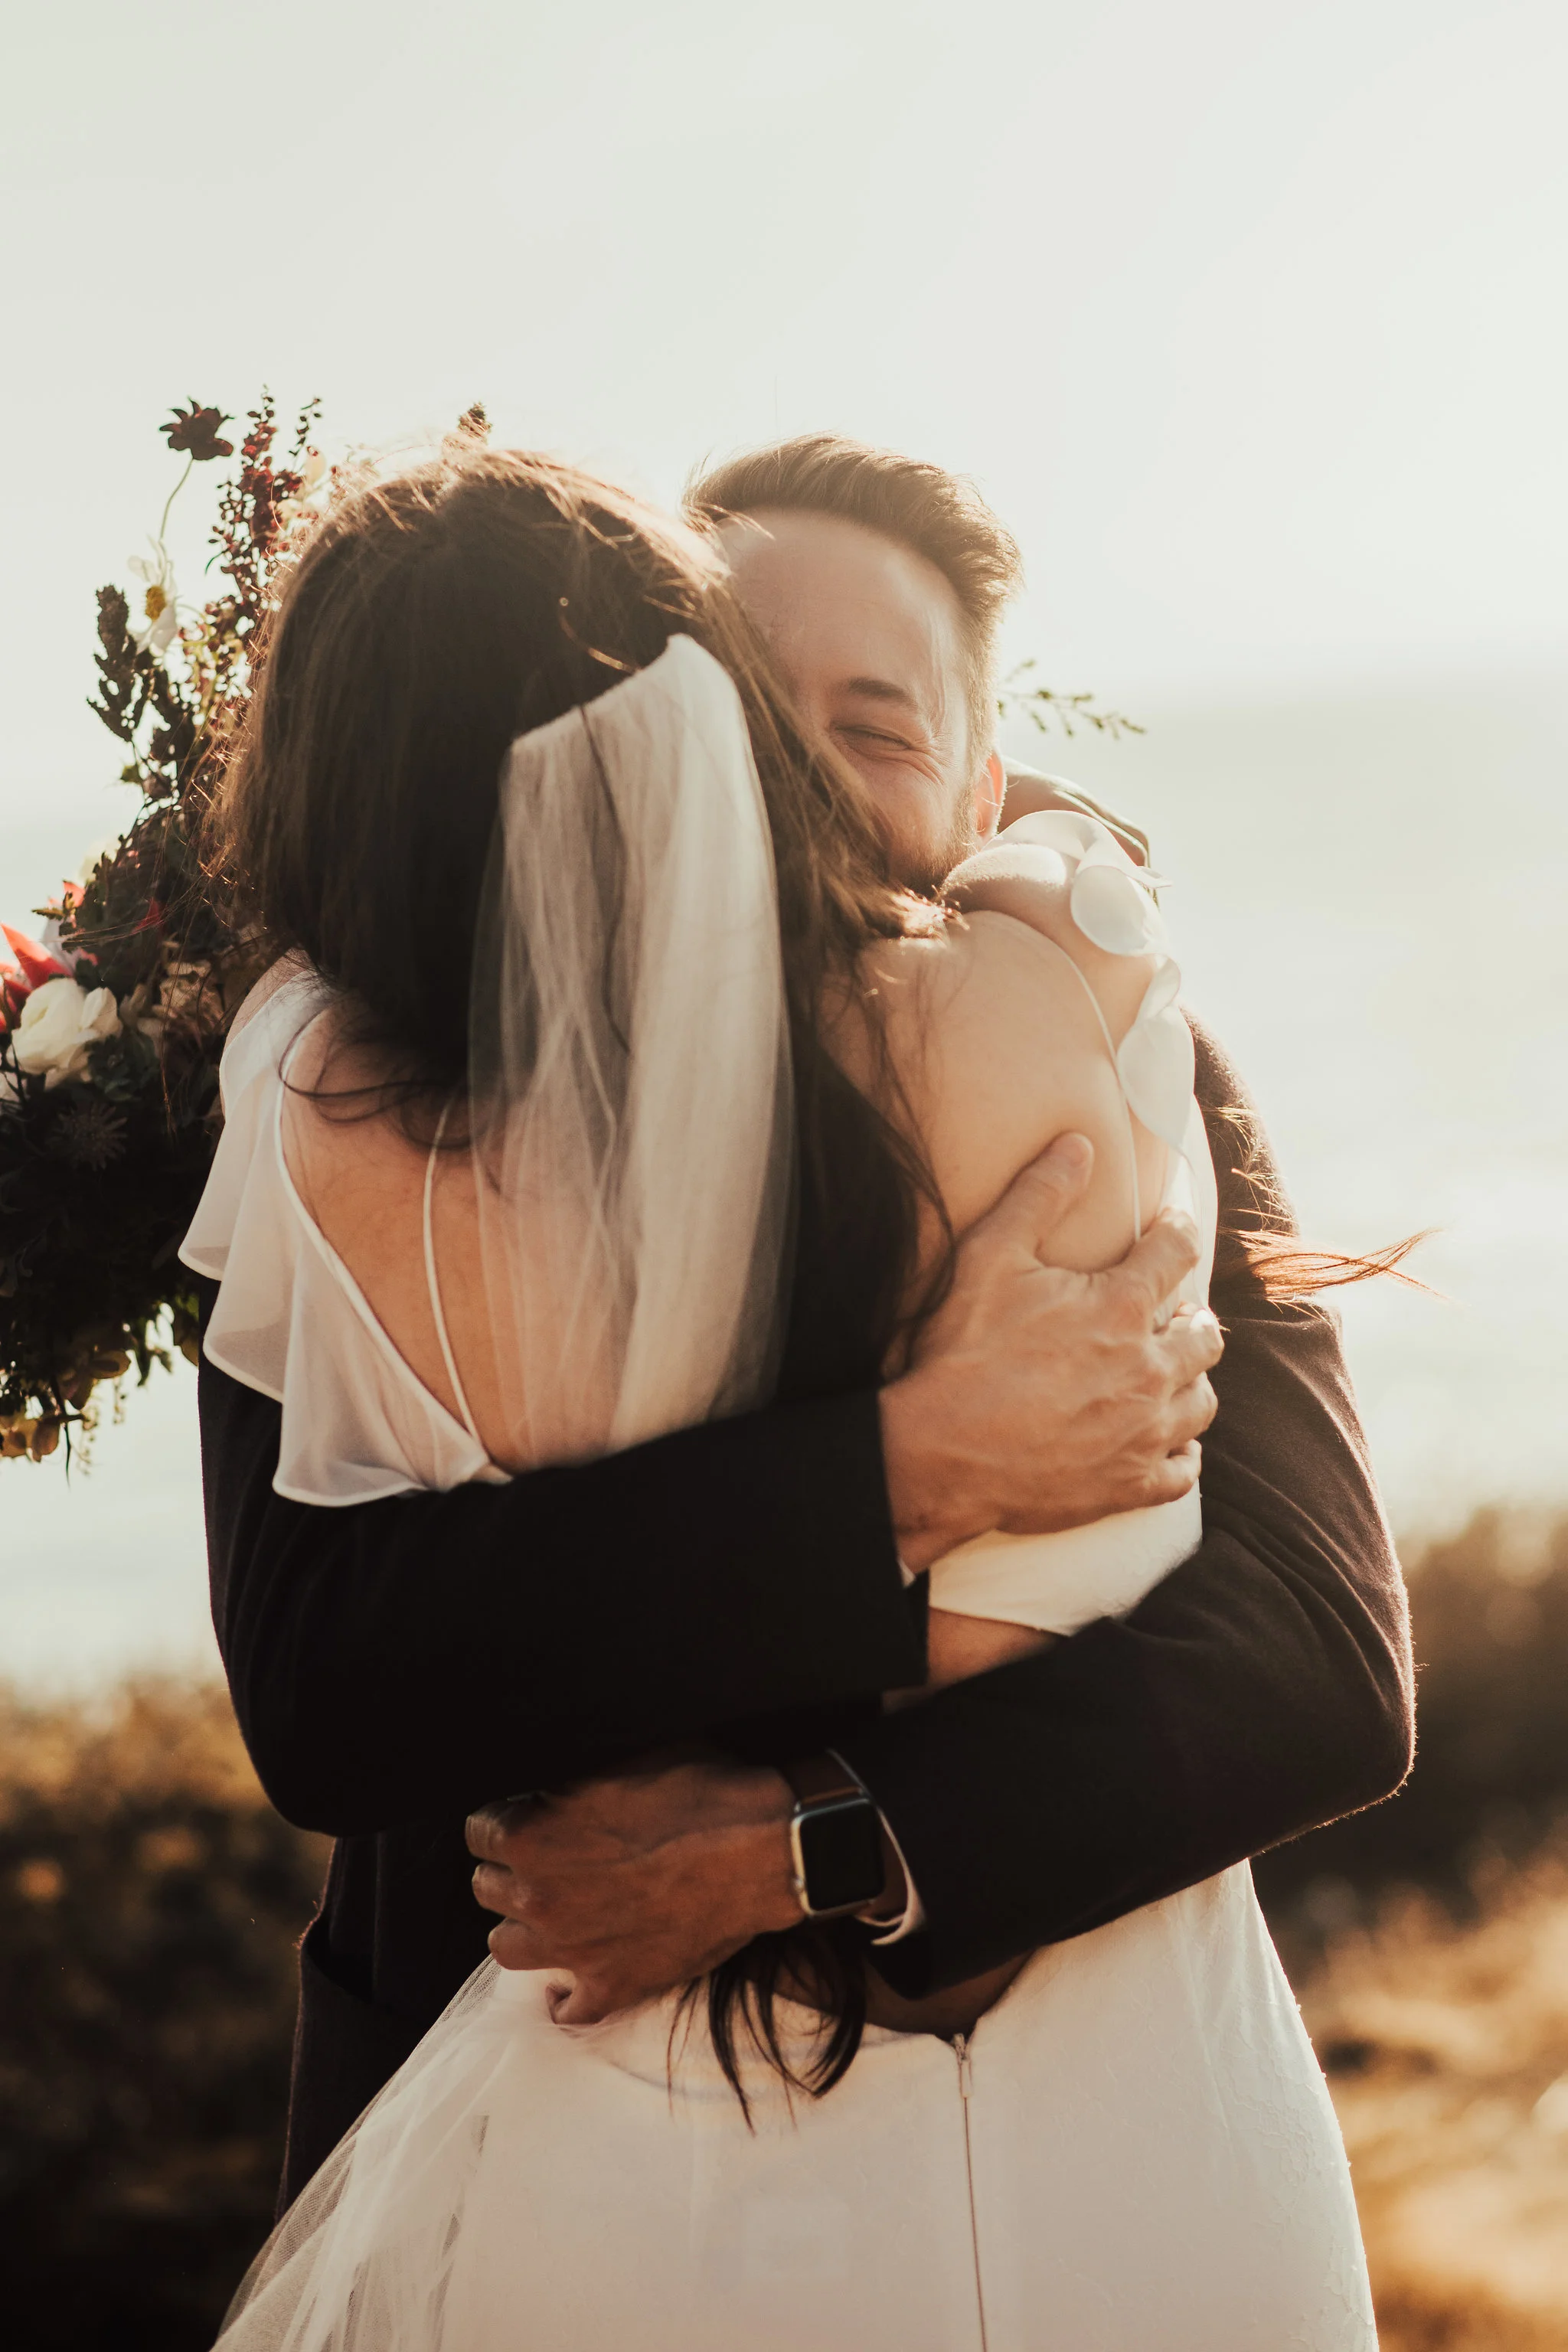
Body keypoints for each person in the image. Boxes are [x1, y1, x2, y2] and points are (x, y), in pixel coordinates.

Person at [188, 438, 1388, 2347]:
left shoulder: (1099, 1052)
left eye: (877, 728)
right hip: (531, 2151)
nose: (802, 788)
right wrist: (903, 1471)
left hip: (1105, 2135)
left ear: (984, 791)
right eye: (751, 712)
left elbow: (1316, 1659)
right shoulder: (374, 1108)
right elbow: (331, 1679)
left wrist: (799, 1846)